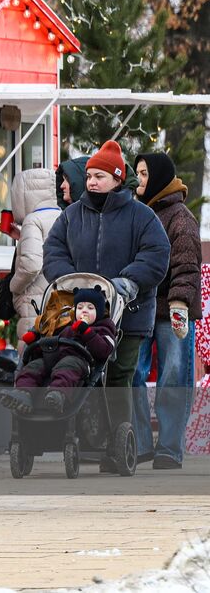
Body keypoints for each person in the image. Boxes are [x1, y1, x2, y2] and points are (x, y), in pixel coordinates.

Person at [43, 140, 170, 471]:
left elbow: (157, 255)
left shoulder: (141, 216)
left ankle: (120, 444)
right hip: (80, 312)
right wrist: (69, 282)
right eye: (89, 176)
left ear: (117, 178)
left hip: (129, 313)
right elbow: (53, 252)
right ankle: (88, 442)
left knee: (119, 375)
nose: (92, 182)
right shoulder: (71, 216)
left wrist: (128, 282)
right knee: (81, 371)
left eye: (99, 176)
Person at [133, 152, 202, 469]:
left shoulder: (180, 218)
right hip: (139, 308)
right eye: (136, 173)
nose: (138, 179)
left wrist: (179, 304)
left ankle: (169, 449)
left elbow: (187, 267)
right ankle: (141, 442)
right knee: (131, 371)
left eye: (144, 173)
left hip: (172, 310)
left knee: (174, 375)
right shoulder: (135, 214)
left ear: (159, 176)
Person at [3, 288, 117, 414]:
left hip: (81, 361)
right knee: (34, 366)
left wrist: (87, 332)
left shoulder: (104, 327)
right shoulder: (68, 327)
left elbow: (105, 350)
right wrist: (35, 342)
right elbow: (52, 342)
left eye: (90, 308)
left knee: (67, 366)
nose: (84, 311)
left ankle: (58, 395)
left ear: (100, 311)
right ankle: (23, 393)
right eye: (80, 307)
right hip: (55, 357)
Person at [8, 168, 62, 345]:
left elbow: (31, 264)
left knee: (31, 359)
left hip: (35, 303)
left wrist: (14, 287)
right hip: (60, 300)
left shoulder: (33, 220)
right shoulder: (65, 216)